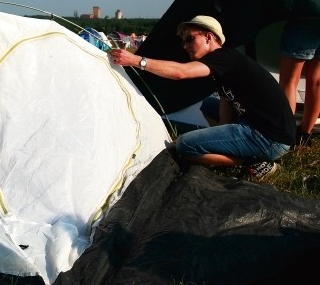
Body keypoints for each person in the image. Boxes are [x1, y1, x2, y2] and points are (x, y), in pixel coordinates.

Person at [109, 15, 296, 181]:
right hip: (260, 125)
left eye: (190, 39)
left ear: (209, 36)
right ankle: (235, 150)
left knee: (184, 146)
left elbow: (181, 73)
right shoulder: (223, 64)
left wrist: (136, 60)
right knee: (207, 105)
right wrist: (225, 131)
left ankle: (251, 162)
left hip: (270, 138)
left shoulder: (224, 57)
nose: (185, 46)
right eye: (183, 42)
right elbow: (226, 101)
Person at [278, 18, 320, 146]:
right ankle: (304, 135)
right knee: (317, 81)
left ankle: (284, 136)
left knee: (289, 80)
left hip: (308, 15)